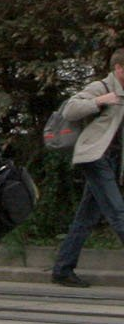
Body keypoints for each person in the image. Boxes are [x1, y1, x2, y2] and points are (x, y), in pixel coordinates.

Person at [49, 34, 124, 288]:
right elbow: (70, 108)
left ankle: (62, 269)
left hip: (112, 160)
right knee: (118, 213)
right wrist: (98, 102)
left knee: (86, 218)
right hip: (95, 157)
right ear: (118, 68)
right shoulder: (103, 87)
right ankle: (62, 269)